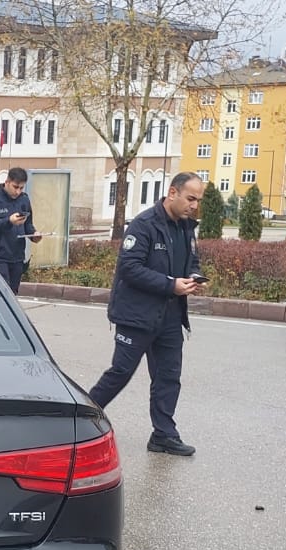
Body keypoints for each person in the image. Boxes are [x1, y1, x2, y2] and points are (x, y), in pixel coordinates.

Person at [87, 172, 206, 457]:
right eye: (190, 198)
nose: (194, 205)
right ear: (173, 192)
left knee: (168, 377)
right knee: (121, 372)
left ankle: (163, 435)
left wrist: (194, 277)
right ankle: (80, 418)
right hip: (137, 315)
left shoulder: (186, 227)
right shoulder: (144, 225)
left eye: (198, 200)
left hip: (170, 316)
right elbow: (130, 268)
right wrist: (170, 284)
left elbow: (192, 261)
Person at [0, 167, 43, 295]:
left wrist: (34, 235)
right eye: (15, 187)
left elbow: (28, 224)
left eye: (21, 188)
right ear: (7, 182)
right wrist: (8, 221)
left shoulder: (24, 199)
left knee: (13, 294)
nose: (18, 191)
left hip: (17, 257)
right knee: (2, 293)